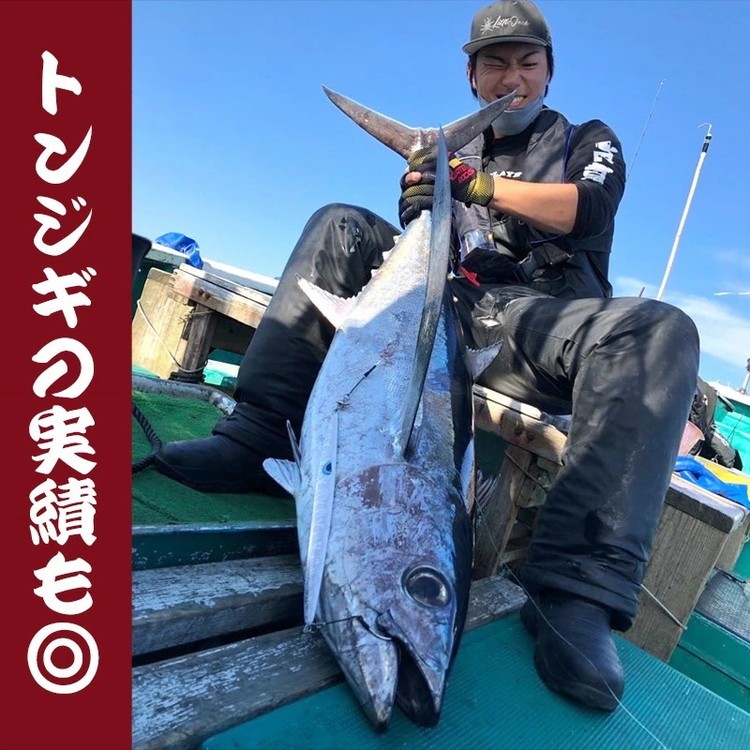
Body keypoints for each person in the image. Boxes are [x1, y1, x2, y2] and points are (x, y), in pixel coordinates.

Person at [154, 0, 700, 713]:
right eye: (495, 64)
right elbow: (425, 245)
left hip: (536, 321)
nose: (512, 77)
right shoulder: (448, 154)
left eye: (527, 63)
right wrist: (425, 206)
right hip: (445, 304)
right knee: (340, 226)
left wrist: (475, 184)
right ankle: (257, 440)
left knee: (661, 329)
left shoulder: (587, 139)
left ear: (549, 71)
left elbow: (587, 209)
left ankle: (576, 592)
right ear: (472, 76)